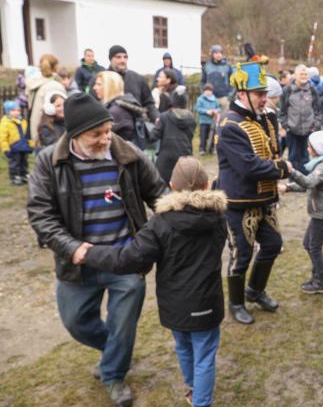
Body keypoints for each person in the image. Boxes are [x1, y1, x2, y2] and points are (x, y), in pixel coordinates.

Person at [27, 93, 167, 406]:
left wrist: (182, 215)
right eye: (97, 134)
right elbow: (40, 213)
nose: (107, 138)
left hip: (125, 259)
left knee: (123, 323)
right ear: (74, 135)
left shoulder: (126, 152)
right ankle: (115, 352)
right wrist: (71, 248)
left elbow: (158, 192)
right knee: (76, 322)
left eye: (108, 130)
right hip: (78, 261)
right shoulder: (50, 161)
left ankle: (114, 375)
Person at [76, 157, 226, 407]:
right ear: (208, 185)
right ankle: (200, 400)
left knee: (184, 346)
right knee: (205, 355)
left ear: (171, 186)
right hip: (208, 299)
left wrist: (90, 253)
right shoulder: (218, 217)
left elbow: (129, 258)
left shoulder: (160, 222)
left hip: (174, 301)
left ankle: (193, 389)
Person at [216, 59, 291, 325]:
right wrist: (282, 169)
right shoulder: (229, 125)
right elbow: (247, 166)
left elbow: (272, 149)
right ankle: (235, 303)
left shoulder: (269, 115)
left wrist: (276, 171)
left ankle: (254, 290)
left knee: (273, 244)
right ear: (242, 94)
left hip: (266, 198)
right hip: (239, 201)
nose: (264, 98)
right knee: (241, 254)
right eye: (259, 94)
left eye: (264, 93)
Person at [285, 130, 323, 294]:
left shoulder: (322, 167)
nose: (307, 148)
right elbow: (306, 185)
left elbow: (309, 182)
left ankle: (321, 282)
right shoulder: (319, 163)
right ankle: (317, 276)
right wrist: (287, 187)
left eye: (309, 146)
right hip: (318, 213)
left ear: (317, 149)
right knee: (308, 244)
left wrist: (292, 172)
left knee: (314, 247)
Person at [279, 64, 323, 174]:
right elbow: (282, 111)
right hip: (292, 130)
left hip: (308, 130)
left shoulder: (312, 90)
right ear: (295, 75)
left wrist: (315, 125)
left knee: (305, 156)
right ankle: (293, 179)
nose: (303, 76)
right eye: (301, 74)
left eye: (305, 74)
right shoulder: (287, 90)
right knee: (293, 156)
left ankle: (305, 180)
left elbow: (318, 110)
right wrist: (286, 126)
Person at [150, 88, 195, 184]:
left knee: (162, 188)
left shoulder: (164, 117)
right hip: (185, 156)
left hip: (166, 159)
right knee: (183, 186)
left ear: (172, 102)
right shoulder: (191, 118)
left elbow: (153, 136)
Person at [94, 70, 148, 148]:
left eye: (99, 84)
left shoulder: (115, 112)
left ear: (109, 86)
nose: (94, 87)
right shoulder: (119, 107)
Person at [25, 54, 66, 147]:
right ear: (55, 66)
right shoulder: (54, 85)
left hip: (38, 129)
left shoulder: (34, 82)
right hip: (52, 133)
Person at [108, 45, 157, 122]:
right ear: (111, 59)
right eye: (118, 57)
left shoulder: (138, 78)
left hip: (135, 127)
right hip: (109, 127)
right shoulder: (101, 79)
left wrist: (156, 117)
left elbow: (149, 103)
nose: (123, 60)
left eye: (125, 57)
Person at [1, 100, 34, 185]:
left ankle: (24, 174)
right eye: (13, 110)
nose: (16, 112)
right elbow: (2, 137)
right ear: (8, 111)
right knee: (15, 163)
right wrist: (6, 149)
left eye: (18, 110)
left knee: (24, 162)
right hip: (14, 147)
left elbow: (28, 133)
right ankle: (15, 176)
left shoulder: (23, 121)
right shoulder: (5, 123)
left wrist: (31, 144)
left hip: (24, 146)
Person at [201, 45, 234, 112]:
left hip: (224, 98)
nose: (218, 55)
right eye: (216, 53)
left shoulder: (227, 66)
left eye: (220, 53)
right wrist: (204, 93)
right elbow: (202, 81)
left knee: (224, 120)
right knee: (212, 121)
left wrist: (230, 95)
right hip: (210, 98)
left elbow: (233, 82)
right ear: (212, 54)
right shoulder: (207, 66)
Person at [195, 83, 220, 155]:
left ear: (212, 91)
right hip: (204, 121)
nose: (208, 92)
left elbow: (218, 108)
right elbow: (198, 108)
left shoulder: (215, 99)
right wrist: (206, 111)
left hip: (212, 121)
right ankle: (202, 149)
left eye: (210, 91)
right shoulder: (200, 99)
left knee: (213, 136)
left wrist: (215, 111)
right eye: (206, 91)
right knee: (203, 136)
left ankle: (211, 149)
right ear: (204, 91)